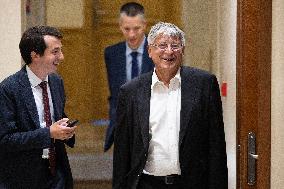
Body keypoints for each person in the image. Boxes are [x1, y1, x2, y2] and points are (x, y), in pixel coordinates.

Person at [113, 22, 228, 189]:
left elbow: (216, 145)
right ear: (150, 51)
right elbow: (122, 152)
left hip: (192, 183)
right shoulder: (130, 91)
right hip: (147, 184)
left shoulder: (204, 84)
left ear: (182, 50)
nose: (169, 51)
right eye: (162, 45)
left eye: (175, 45)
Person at [0, 26, 77, 189]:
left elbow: (57, 117)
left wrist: (66, 131)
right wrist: (48, 133)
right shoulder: (9, 89)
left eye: (60, 51)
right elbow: (5, 140)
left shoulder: (56, 82)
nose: (61, 57)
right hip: (23, 178)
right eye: (55, 52)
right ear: (35, 55)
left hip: (57, 173)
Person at [104, 2, 154, 152]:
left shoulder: (159, 52)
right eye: (126, 29)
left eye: (136, 28)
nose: (131, 34)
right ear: (120, 26)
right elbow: (114, 92)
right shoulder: (112, 54)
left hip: (152, 123)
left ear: (144, 25)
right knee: (122, 172)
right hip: (122, 123)